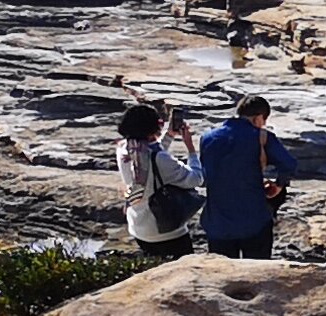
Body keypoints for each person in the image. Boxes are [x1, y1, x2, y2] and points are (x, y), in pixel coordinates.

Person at [196, 95, 300, 260]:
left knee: (223, 276)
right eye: (264, 119)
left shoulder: (208, 138)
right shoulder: (261, 137)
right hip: (254, 219)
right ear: (258, 117)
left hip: (218, 222)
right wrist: (279, 185)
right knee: (257, 275)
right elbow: (289, 165)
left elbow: (204, 174)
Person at [115, 103, 202, 260]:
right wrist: (191, 150)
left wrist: (169, 136)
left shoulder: (124, 150)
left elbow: (150, 157)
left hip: (139, 227)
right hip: (166, 231)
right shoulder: (159, 159)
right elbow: (195, 179)